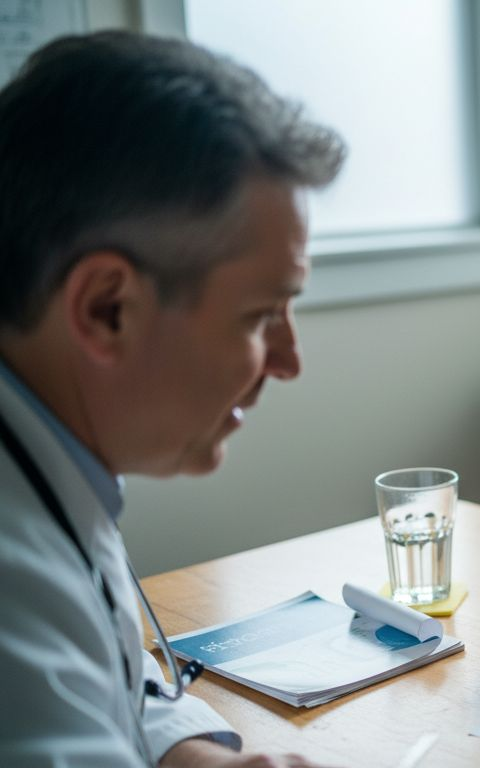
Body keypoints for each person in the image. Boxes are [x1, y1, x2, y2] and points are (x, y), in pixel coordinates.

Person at [0, 32, 345, 766]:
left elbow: (116, 684)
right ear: (106, 310)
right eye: (259, 317)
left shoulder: (49, 447)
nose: (288, 362)